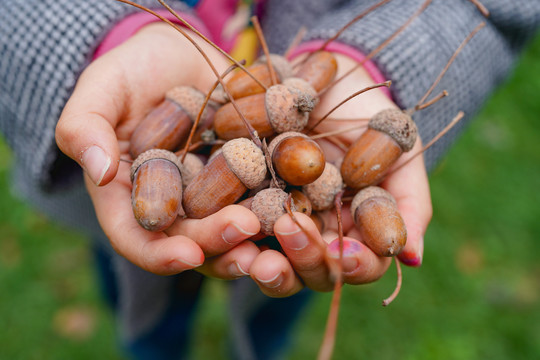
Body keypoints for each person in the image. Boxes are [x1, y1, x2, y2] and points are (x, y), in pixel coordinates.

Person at [1, 0, 539, 359]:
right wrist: (112, 35)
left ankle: (255, 342)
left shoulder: (310, 161)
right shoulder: (212, 127)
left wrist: (373, 63)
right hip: (158, 136)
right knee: (142, 295)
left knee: (279, 293)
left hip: (291, 216)